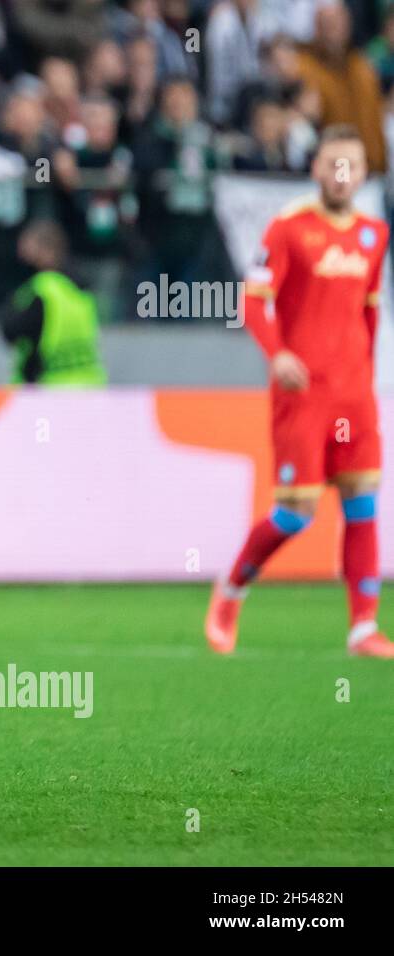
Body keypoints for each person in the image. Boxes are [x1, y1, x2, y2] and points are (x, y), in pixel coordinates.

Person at [207, 124, 394, 658]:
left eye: (352, 166)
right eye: (332, 164)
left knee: (363, 505)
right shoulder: (289, 228)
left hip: (355, 393)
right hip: (303, 393)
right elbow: (252, 299)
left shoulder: (373, 235)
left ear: (362, 173)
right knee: (296, 512)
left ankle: (363, 628)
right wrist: (278, 354)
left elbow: (369, 309)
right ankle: (232, 588)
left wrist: (365, 370)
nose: (341, 174)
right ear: (316, 169)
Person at [0, 219, 107, 385]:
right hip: (89, 384)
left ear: (44, 248)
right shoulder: (82, 288)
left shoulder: (43, 289)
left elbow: (11, 331)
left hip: (49, 388)